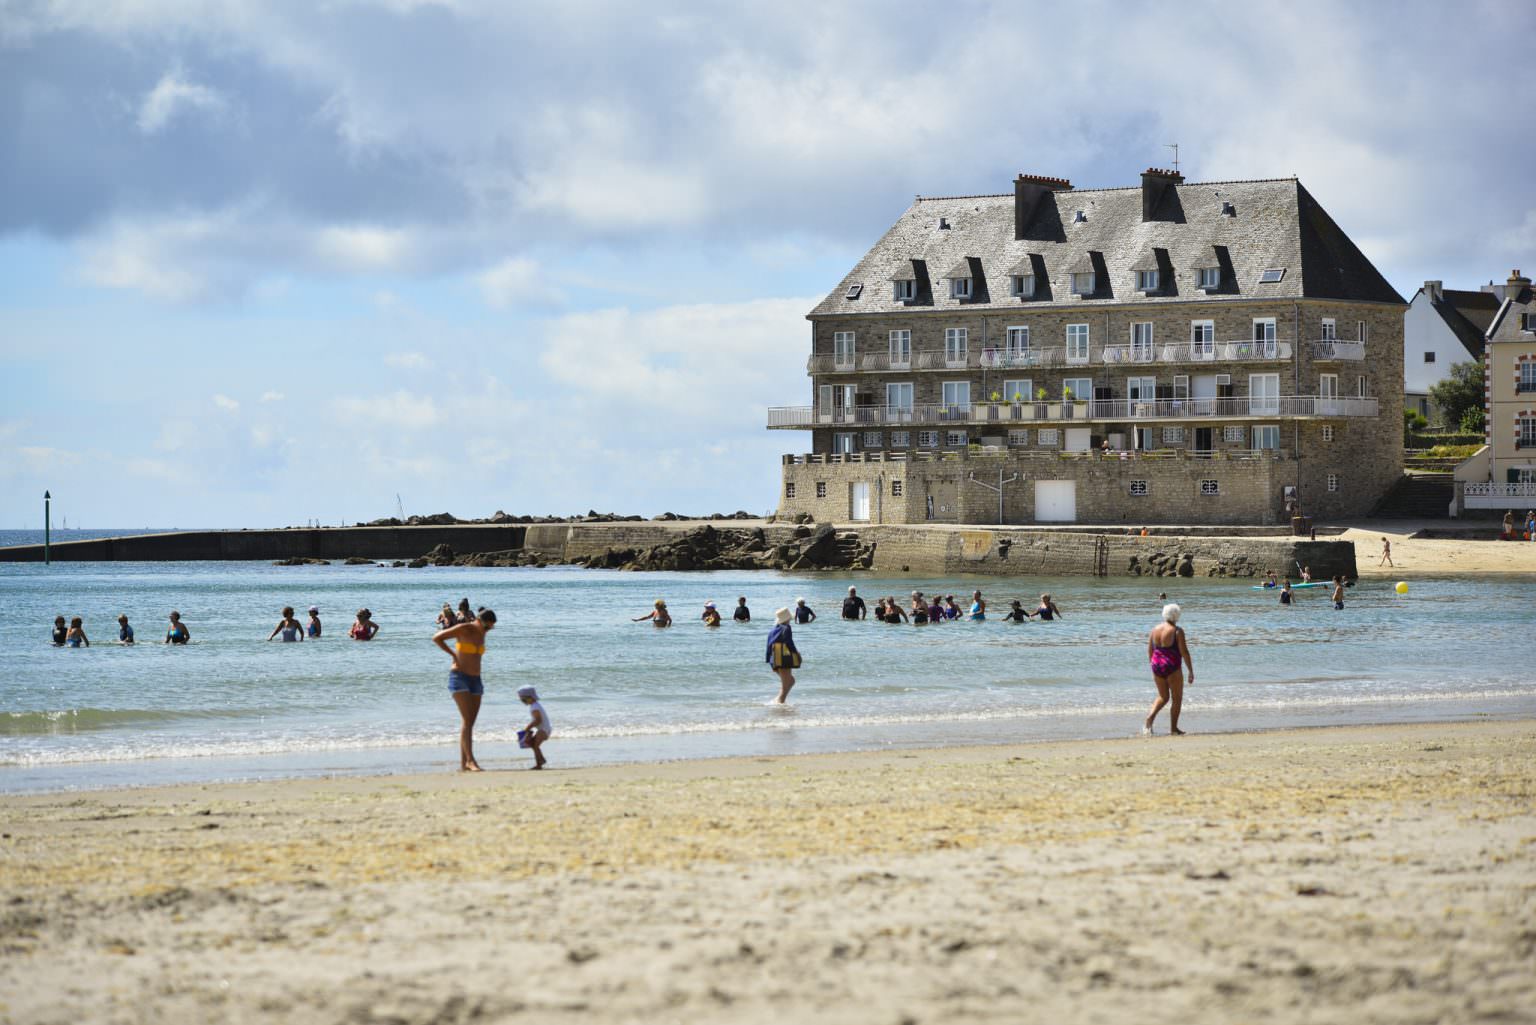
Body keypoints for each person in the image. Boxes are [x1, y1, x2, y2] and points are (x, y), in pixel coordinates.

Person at [432, 607, 497, 772]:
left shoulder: (483, 633)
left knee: (469, 723)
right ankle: (470, 761)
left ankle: (464, 764)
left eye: (491, 627)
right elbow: (437, 638)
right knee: (467, 721)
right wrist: (453, 655)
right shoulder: (465, 628)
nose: (490, 629)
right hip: (459, 677)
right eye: (488, 626)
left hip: (476, 680)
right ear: (480, 621)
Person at [1144, 603, 1193, 736]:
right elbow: (1184, 652)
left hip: (1156, 666)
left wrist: (1154, 667)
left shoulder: (1154, 630)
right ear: (1177, 615)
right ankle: (1173, 728)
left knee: (1163, 696)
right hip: (1172, 667)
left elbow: (1150, 651)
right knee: (1177, 699)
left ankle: (1149, 718)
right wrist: (1190, 671)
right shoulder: (1177, 631)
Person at [765, 607, 800, 704]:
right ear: (788, 619)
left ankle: (778, 701)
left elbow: (768, 647)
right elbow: (789, 642)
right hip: (783, 657)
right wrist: (796, 653)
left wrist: (769, 662)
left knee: (790, 681)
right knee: (788, 683)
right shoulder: (787, 628)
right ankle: (780, 702)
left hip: (774, 658)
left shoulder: (772, 631)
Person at [518, 685, 551, 771]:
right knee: (533, 744)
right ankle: (542, 760)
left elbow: (538, 720)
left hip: (543, 730)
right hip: (543, 729)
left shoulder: (535, 707)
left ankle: (538, 765)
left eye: (523, 698)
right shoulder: (534, 705)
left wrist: (527, 728)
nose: (522, 701)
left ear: (529, 697)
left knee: (535, 746)